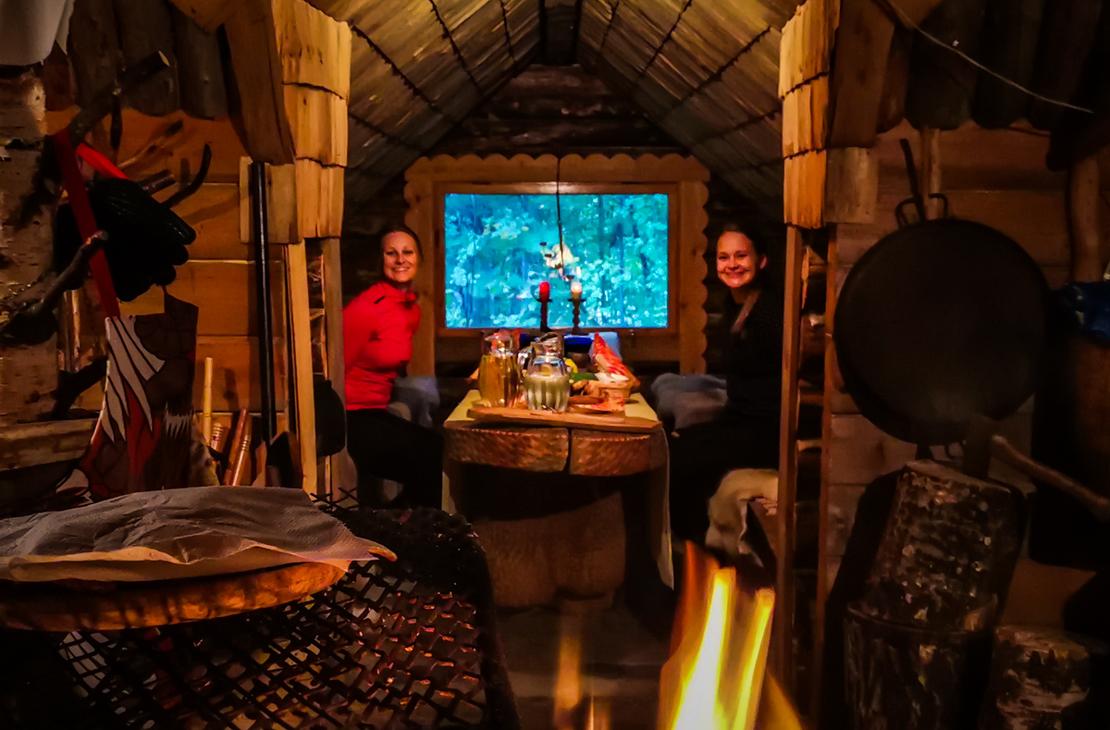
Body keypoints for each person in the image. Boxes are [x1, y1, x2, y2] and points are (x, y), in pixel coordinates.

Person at [669, 224, 783, 541]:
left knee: (684, 459)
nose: (732, 264)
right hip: (740, 419)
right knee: (673, 443)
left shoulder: (771, 312)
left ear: (761, 261)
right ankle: (688, 546)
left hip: (766, 429)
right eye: (724, 257)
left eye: (741, 256)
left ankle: (700, 547)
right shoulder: (734, 304)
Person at [344, 226, 442, 508]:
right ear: (381, 260)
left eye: (407, 252)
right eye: (391, 253)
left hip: (377, 410)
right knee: (430, 453)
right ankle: (413, 524)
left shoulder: (410, 309)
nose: (400, 259)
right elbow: (336, 368)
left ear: (419, 258)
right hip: (352, 416)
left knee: (437, 446)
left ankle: (406, 519)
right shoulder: (366, 308)